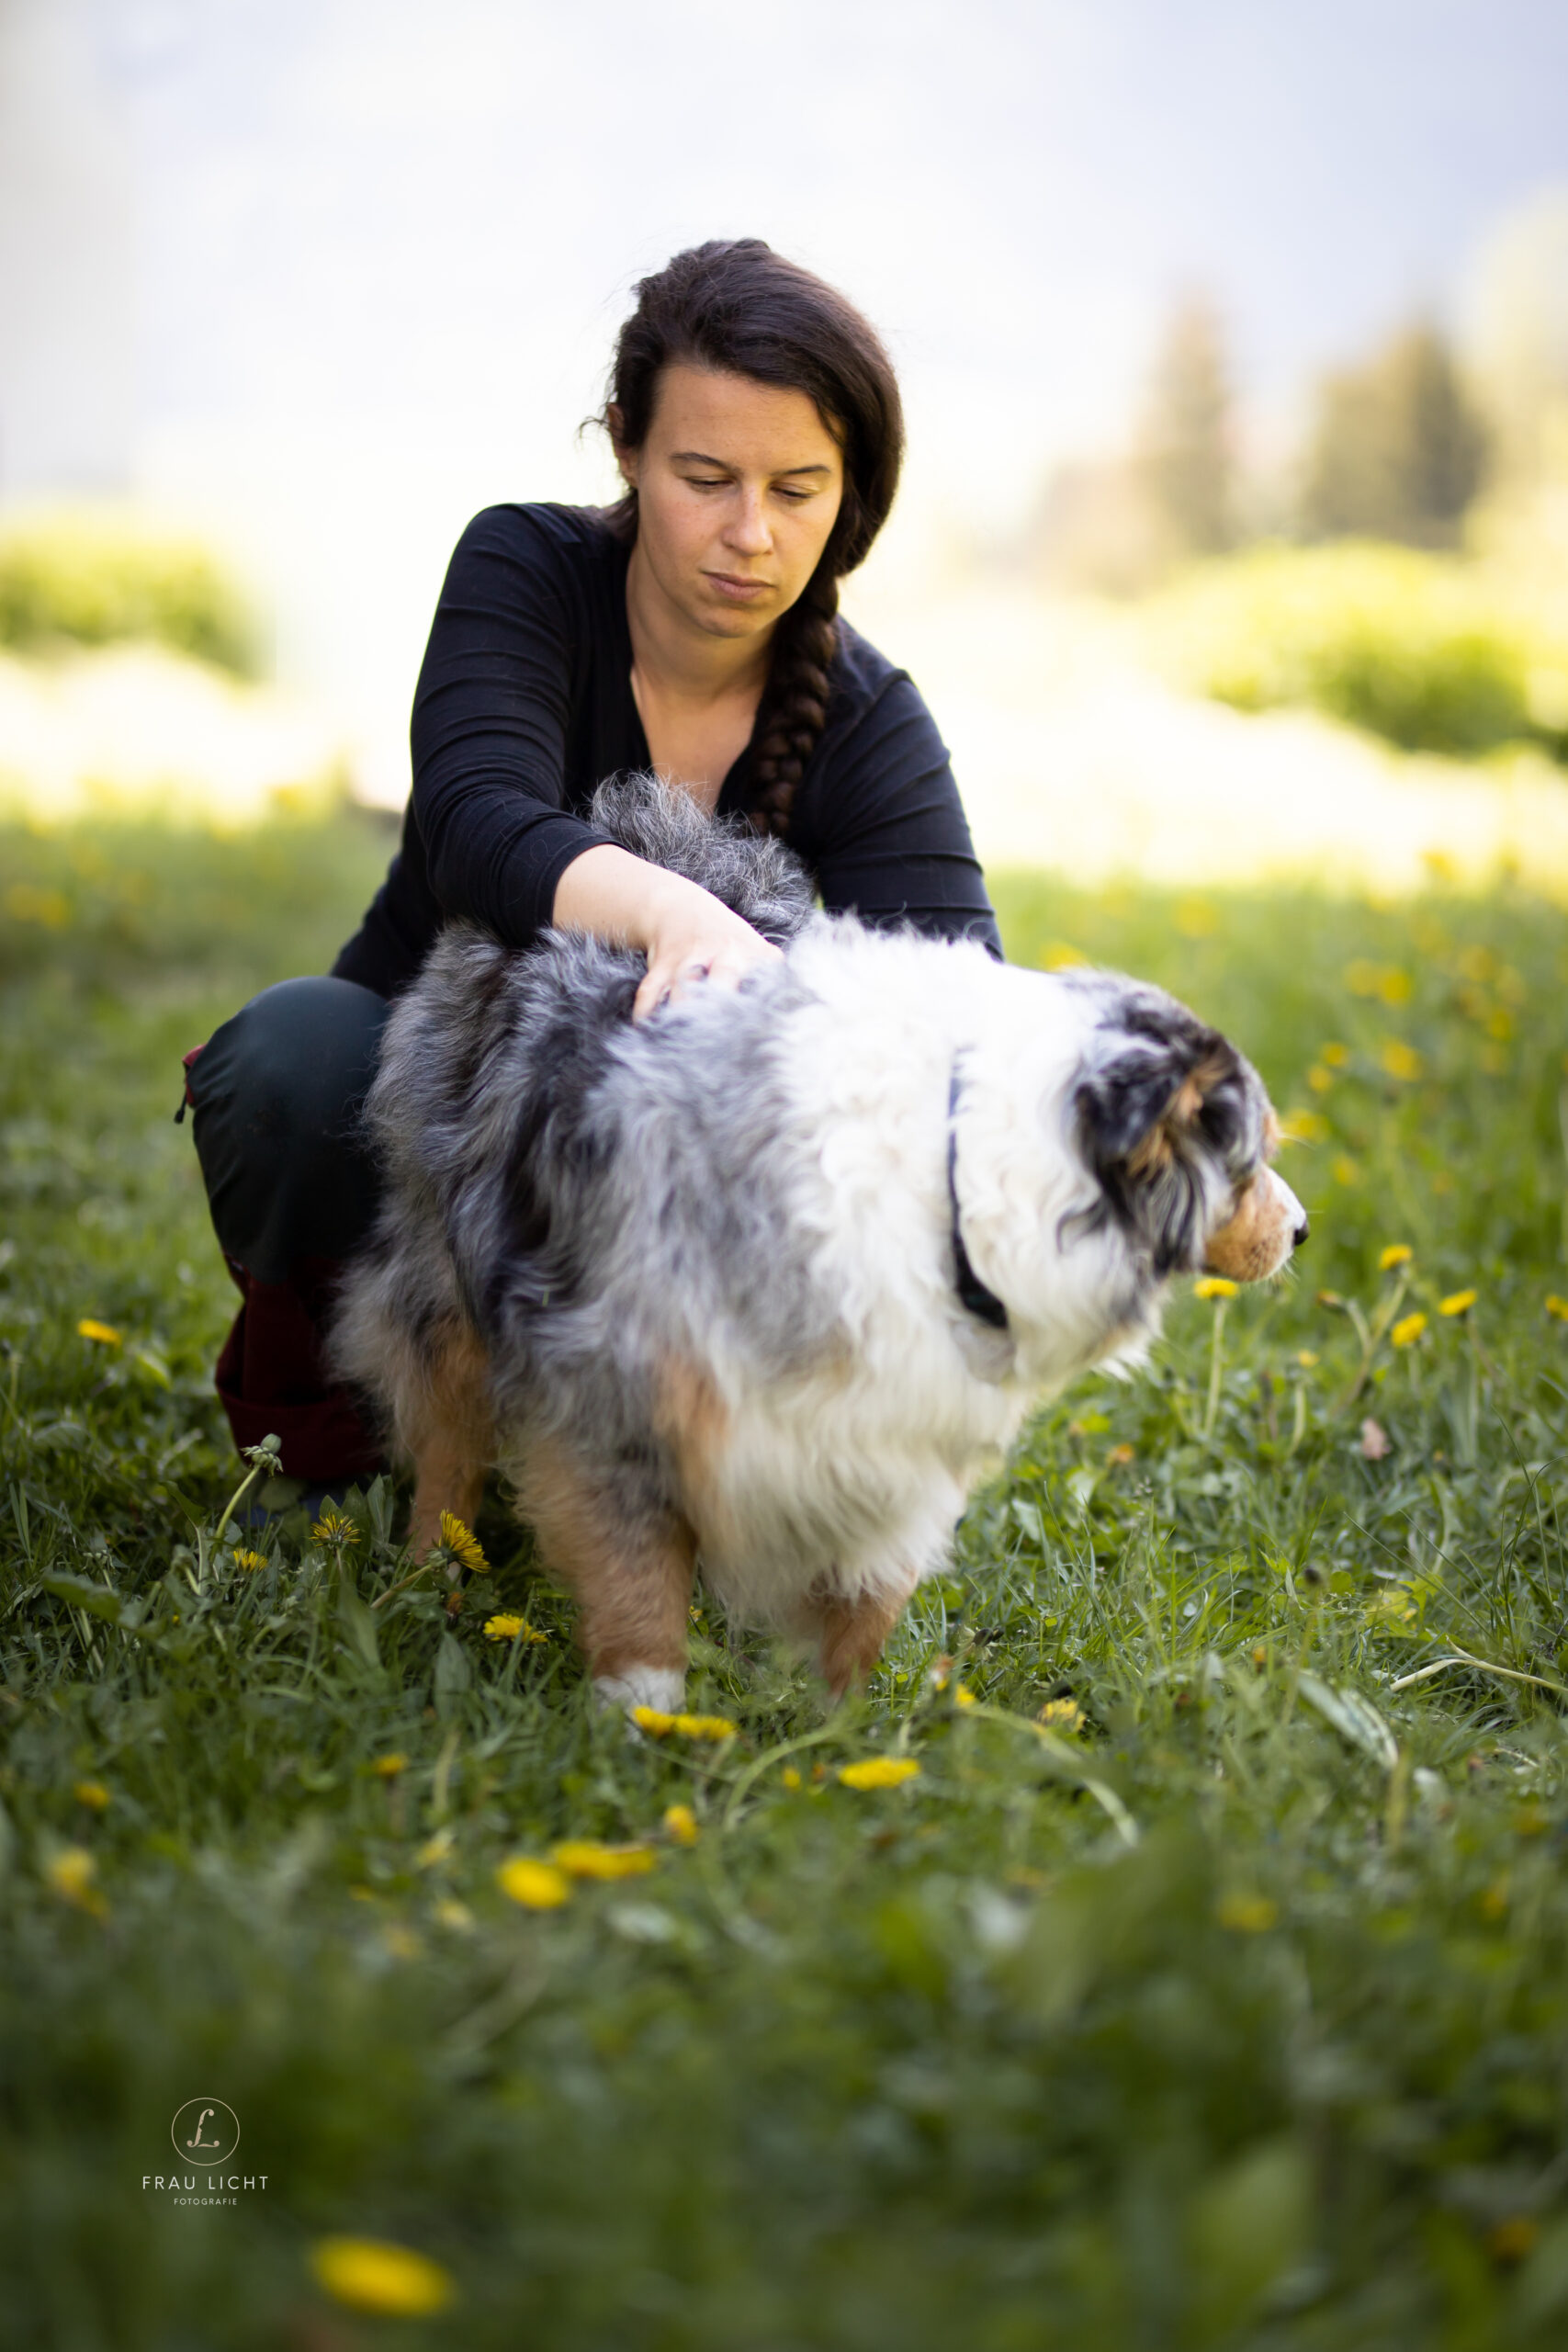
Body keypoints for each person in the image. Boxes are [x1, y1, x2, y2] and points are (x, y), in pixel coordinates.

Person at [183, 238, 1002, 1492]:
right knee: (289, 1062)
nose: (749, 535)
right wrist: (671, 910)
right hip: (425, 1124)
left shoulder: (869, 715)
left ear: (854, 494)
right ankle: (330, 1448)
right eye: (704, 476)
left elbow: (962, 1003)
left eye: (798, 489)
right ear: (625, 443)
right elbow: (469, 816)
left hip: (676, 1193)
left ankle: (687, 1457)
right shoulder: (523, 569)